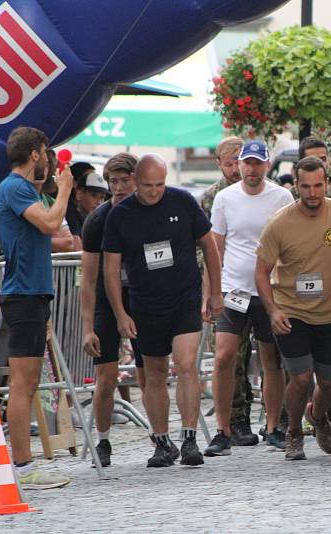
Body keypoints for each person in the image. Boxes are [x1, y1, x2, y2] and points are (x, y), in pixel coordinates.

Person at [102, 153, 223, 468]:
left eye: (159, 185)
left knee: (186, 365)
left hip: (184, 296)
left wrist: (214, 293)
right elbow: (110, 269)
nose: (154, 191)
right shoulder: (121, 215)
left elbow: (209, 245)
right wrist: (120, 313)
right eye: (146, 186)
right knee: (154, 373)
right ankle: (161, 441)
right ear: (135, 182)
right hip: (145, 302)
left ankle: (190, 437)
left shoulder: (182, 202)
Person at [255, 156, 331, 461]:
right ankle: (293, 432)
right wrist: (274, 311)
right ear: (296, 186)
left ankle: (317, 416)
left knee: (330, 383)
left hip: (330, 313)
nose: (313, 192)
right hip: (292, 312)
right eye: (306, 186)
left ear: (327, 184)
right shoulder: (280, 222)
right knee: (301, 378)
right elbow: (261, 271)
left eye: (318, 185)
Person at [204, 140, 294, 457]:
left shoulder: (282, 197)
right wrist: (210, 293)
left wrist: (285, 291)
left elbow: (288, 246)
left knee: (270, 359)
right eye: (247, 163)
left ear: (267, 165)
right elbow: (215, 249)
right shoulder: (225, 198)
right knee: (224, 356)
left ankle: (273, 427)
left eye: (258, 163)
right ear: (239, 164)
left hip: (269, 291)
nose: (252, 169)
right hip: (233, 288)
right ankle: (223, 430)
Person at [0, 126, 73, 489]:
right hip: (23, 295)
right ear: (37, 154)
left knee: (28, 382)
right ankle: (23, 467)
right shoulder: (14, 187)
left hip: (35, 293)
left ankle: (24, 464)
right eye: (46, 152)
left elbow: (49, 235)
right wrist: (67, 190)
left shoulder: (27, 190)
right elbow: (51, 223)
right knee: (23, 384)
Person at [80, 152, 145, 467]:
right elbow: (88, 278)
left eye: (124, 181)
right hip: (107, 300)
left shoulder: (148, 211)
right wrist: (87, 327)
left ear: (136, 180)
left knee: (149, 372)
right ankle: (103, 440)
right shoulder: (98, 219)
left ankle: (160, 435)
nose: (118, 188)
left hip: (142, 297)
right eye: (113, 182)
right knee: (106, 377)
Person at [200, 136, 259, 447]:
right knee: (229, 357)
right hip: (226, 288)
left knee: (261, 354)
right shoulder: (212, 198)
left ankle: (264, 417)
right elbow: (205, 248)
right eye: (230, 163)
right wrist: (210, 292)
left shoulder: (261, 190)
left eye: (241, 160)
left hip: (258, 290)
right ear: (219, 164)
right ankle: (234, 420)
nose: (237, 168)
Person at [65, 168, 108, 250]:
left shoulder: (97, 217)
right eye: (94, 195)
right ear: (79, 194)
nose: (99, 202)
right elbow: (78, 249)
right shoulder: (69, 212)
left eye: (102, 197)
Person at [298, 136, 331, 200]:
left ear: (329, 160)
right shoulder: (289, 198)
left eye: (323, 159)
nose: (319, 164)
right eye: (313, 160)